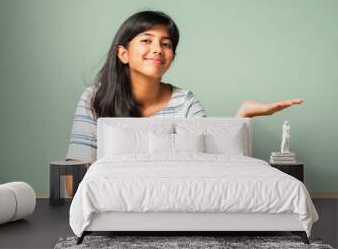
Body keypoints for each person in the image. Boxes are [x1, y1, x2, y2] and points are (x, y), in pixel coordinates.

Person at [65, 10, 303, 164]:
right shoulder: (94, 97)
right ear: (123, 53)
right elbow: (75, 171)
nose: (158, 49)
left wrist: (242, 116)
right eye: (146, 40)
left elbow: (211, 159)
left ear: (172, 57)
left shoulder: (185, 101)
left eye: (166, 44)